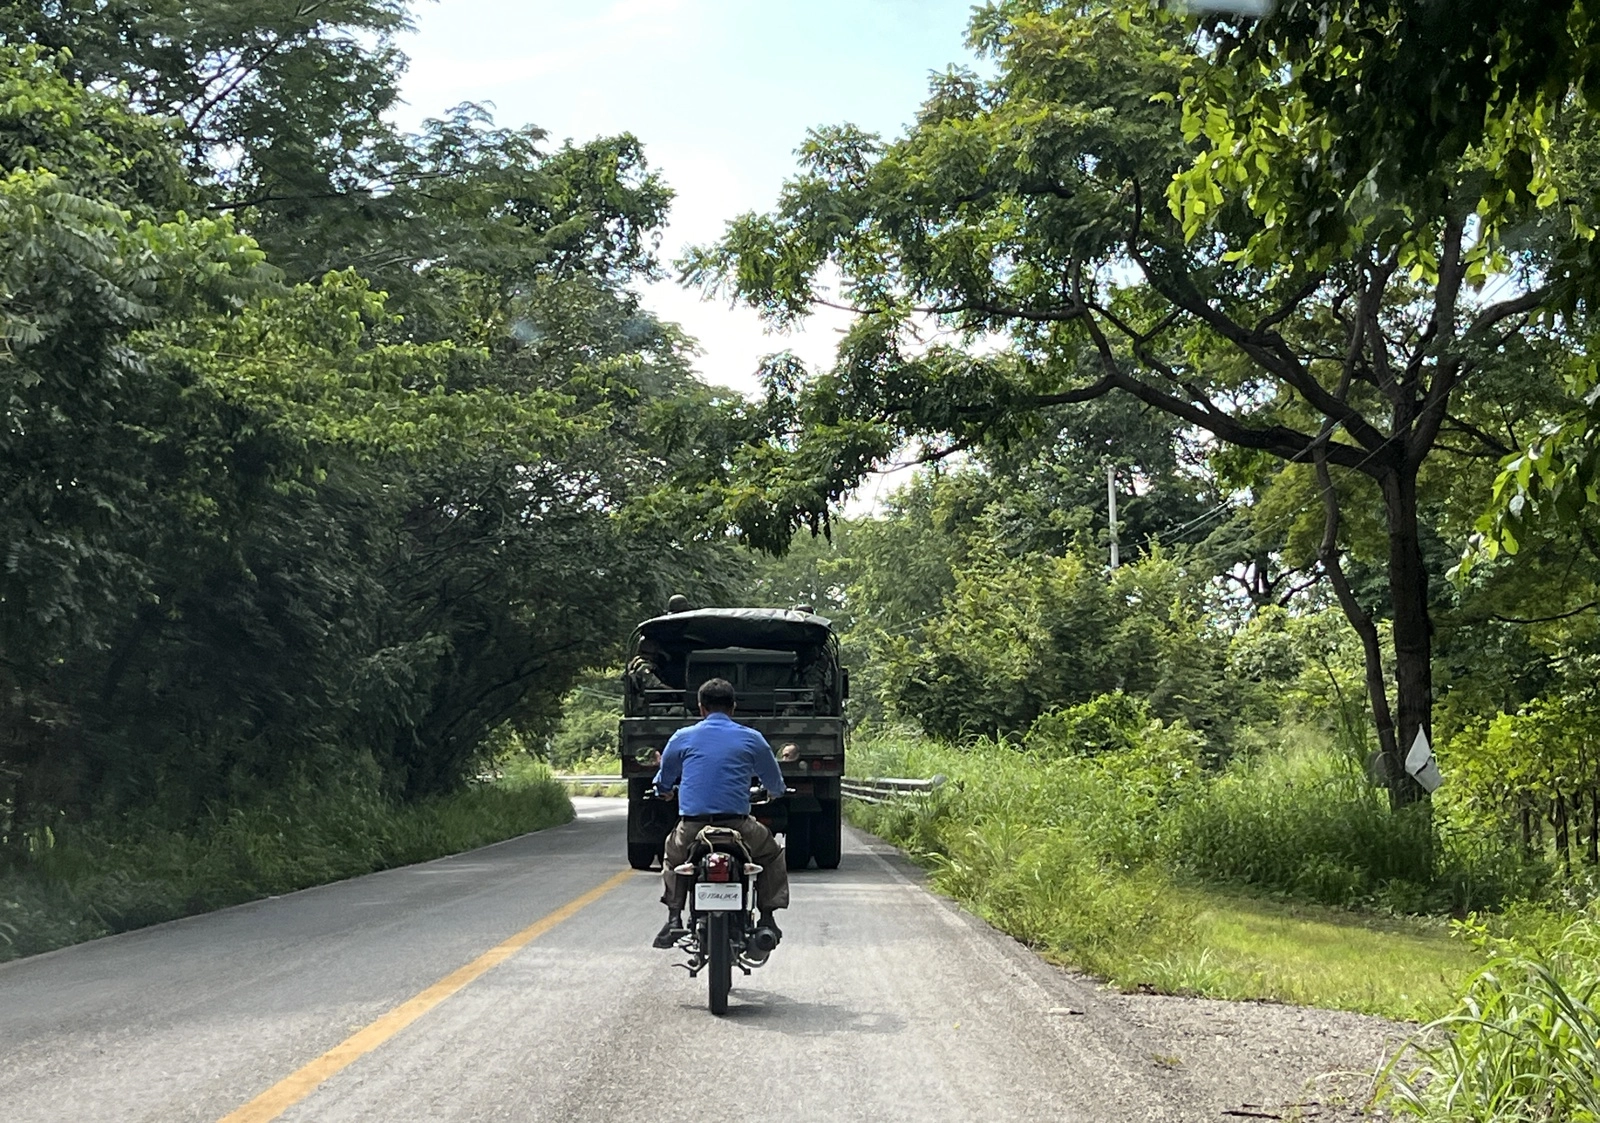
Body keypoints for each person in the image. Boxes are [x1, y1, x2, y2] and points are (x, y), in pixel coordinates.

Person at [650, 677, 789, 949]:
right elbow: (775, 783)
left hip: (692, 829)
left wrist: (664, 791)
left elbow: (664, 781)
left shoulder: (683, 737)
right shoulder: (752, 738)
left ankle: (674, 917)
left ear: (701, 708)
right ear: (733, 708)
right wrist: (774, 792)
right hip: (738, 827)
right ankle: (768, 917)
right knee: (772, 854)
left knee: (673, 856)